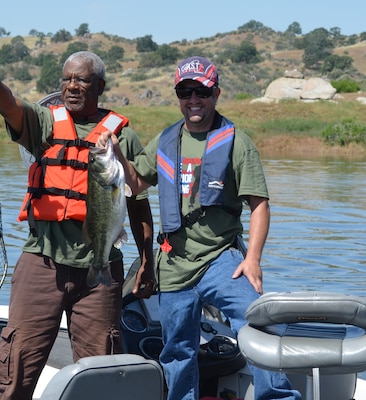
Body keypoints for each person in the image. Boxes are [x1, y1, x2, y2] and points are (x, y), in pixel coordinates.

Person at [98, 56, 301, 400]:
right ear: (178, 95)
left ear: (216, 93)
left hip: (221, 258)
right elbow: (134, 183)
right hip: (174, 263)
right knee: (177, 349)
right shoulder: (165, 141)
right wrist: (115, 154)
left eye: (202, 92)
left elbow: (260, 205)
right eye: (185, 91)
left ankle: (279, 398)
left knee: (258, 324)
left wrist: (252, 259)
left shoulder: (236, 141)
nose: (194, 99)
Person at [0, 33, 156, 400]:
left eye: (82, 80)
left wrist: (148, 260)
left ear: (100, 86)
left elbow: (137, 203)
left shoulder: (123, 138)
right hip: (42, 263)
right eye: (67, 79)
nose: (72, 86)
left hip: (100, 271)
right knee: (17, 364)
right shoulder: (44, 123)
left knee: (99, 370)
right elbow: (8, 105)